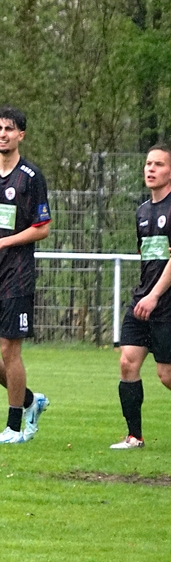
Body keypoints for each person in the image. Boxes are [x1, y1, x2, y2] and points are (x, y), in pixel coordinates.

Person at [0, 106, 51, 444]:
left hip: (17, 276)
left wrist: (1, 242)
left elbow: (42, 228)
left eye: (9, 129)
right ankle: (30, 399)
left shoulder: (31, 177)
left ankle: (15, 427)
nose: (2, 134)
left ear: (21, 135)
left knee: (9, 350)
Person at [111, 146, 171, 449]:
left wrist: (155, 294)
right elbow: (146, 255)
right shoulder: (142, 211)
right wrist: (145, 295)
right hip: (143, 299)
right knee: (127, 363)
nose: (151, 169)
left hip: (166, 302)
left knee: (166, 375)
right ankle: (134, 436)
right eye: (148, 164)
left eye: (158, 164)